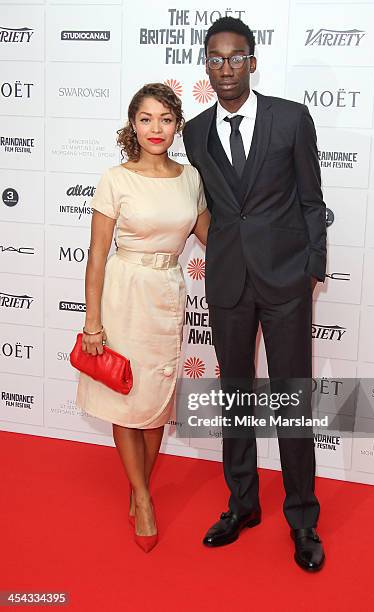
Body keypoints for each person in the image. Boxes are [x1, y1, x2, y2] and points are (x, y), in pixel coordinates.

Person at [182, 17, 326, 571]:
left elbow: (312, 200)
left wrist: (313, 267)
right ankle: (242, 504)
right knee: (235, 397)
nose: (225, 68)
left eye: (235, 57)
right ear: (206, 65)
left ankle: (304, 520)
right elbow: (208, 207)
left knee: (292, 403)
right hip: (228, 283)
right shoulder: (194, 131)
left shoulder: (291, 118)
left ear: (253, 61)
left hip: (287, 280)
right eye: (215, 59)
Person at [76, 83, 210, 553]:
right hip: (123, 291)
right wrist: (93, 323)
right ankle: (143, 497)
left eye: (166, 119)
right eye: (147, 119)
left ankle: (141, 486)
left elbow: (215, 236)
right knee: (125, 399)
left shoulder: (191, 177)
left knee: (154, 401)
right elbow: (96, 257)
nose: (156, 128)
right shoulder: (116, 178)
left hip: (167, 292)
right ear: (133, 124)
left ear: (177, 126)